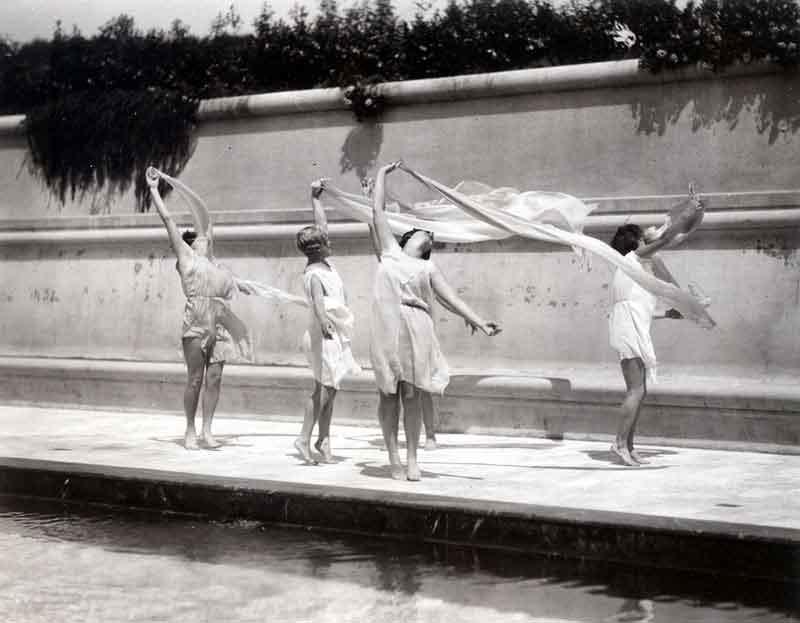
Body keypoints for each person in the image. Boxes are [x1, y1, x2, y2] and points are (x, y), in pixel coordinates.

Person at [369, 161, 501, 481]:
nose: (427, 235)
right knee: (389, 393)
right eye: (420, 232)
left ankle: (413, 456)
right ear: (406, 239)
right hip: (387, 327)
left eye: (430, 235)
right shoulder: (390, 252)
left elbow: (451, 298)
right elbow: (377, 211)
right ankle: (393, 457)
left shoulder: (428, 269)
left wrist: (480, 322)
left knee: (413, 394)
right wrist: (383, 174)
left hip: (417, 328)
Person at [146, 167, 251, 450]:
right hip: (196, 321)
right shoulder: (187, 259)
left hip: (218, 322)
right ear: (192, 244)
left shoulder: (216, 267)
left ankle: (207, 430)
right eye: (202, 239)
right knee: (195, 379)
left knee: (214, 379)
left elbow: (229, 285)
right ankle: (190, 429)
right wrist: (155, 189)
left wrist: (243, 285)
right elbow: (168, 220)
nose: (207, 239)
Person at [608, 220, 691, 467]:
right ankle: (619, 443)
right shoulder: (630, 261)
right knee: (636, 390)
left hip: (632, 327)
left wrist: (666, 314)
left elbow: (636, 307)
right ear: (635, 244)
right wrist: (686, 217)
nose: (648, 243)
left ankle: (629, 446)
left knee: (639, 391)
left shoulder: (633, 272)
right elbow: (663, 241)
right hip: (628, 330)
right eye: (643, 239)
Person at [294, 178, 360, 464]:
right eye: (326, 242)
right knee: (323, 389)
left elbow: (322, 226)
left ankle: (323, 440)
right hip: (324, 333)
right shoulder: (313, 274)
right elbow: (319, 306)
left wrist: (315, 199)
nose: (330, 241)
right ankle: (304, 438)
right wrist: (325, 325)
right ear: (317, 249)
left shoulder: (326, 263)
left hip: (332, 331)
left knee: (330, 390)